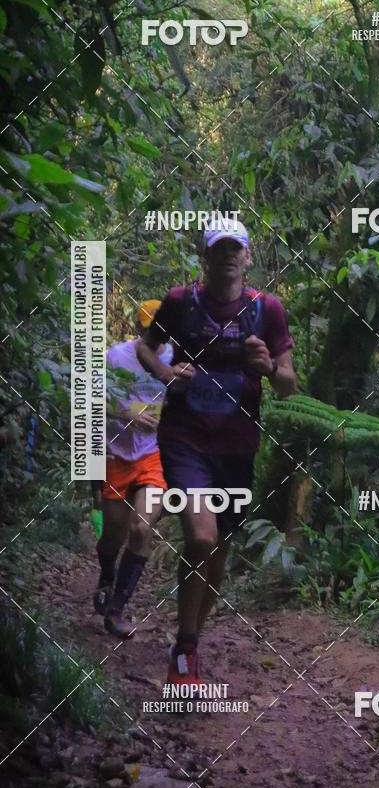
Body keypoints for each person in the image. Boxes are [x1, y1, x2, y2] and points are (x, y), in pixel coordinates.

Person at [136, 219, 296, 686]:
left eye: (236, 248)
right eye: (218, 248)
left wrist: (267, 366)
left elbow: (288, 384)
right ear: (205, 256)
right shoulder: (181, 301)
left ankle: (189, 643)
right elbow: (147, 348)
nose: (228, 255)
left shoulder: (267, 310)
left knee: (219, 553)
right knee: (201, 537)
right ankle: (185, 651)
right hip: (185, 438)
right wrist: (167, 376)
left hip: (238, 447)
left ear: (248, 257)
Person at [94, 300, 173, 638]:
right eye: (148, 326)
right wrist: (126, 415)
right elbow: (93, 402)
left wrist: (167, 410)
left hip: (154, 455)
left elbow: (186, 399)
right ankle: (107, 573)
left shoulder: (174, 357)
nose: (154, 334)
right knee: (113, 533)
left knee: (141, 529)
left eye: (160, 328)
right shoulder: (116, 356)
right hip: (116, 454)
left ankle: (117, 610)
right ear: (140, 327)